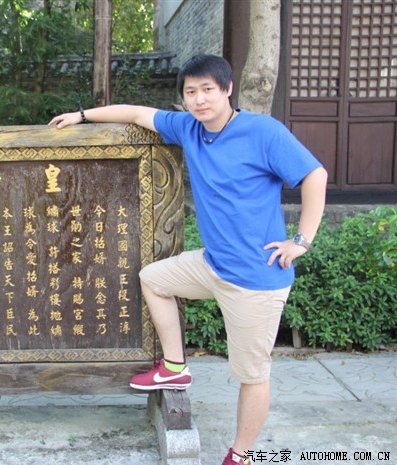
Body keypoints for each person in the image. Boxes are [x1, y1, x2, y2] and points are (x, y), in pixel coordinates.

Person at [48, 54, 328, 465]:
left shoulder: (263, 132)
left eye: (208, 90)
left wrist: (301, 241)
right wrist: (82, 115)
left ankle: (241, 455)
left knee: (252, 375)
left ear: (227, 89)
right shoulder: (189, 128)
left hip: (256, 278)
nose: (199, 99)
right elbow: (137, 113)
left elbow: (314, 175)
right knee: (153, 278)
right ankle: (176, 366)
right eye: (191, 92)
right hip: (213, 264)